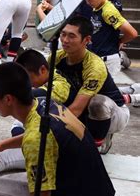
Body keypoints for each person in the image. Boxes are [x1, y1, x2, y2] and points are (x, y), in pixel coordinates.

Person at [0, 63, 115, 196]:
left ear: (8, 99)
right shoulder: (44, 103)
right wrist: (1, 145)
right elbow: (44, 134)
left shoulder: (36, 140)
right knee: (4, 183)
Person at [0, 49, 75, 178]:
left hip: (58, 154)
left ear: (42, 70)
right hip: (52, 134)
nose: (23, 83)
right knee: (18, 124)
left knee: (1, 161)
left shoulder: (57, 88)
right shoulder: (48, 80)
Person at [53, 16, 130, 154]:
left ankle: (99, 142)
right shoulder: (58, 57)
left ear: (86, 40)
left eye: (71, 36)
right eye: (63, 34)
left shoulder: (94, 67)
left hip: (114, 114)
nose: (65, 40)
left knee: (97, 103)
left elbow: (76, 109)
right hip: (83, 109)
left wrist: (50, 128)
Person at [82, 0, 137, 76]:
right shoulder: (97, 6)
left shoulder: (108, 11)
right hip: (97, 59)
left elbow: (132, 33)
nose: (87, 2)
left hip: (108, 62)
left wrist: (120, 41)